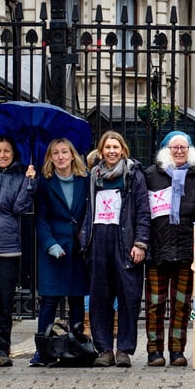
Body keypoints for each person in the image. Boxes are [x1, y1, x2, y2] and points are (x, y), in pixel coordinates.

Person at [79, 130, 150, 368]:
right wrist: (84, 240)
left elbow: (143, 210)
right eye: (107, 147)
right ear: (101, 151)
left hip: (125, 242)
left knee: (129, 298)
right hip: (98, 241)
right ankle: (104, 349)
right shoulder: (93, 176)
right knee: (100, 298)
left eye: (115, 147)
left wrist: (140, 243)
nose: (111, 151)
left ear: (123, 150)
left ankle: (124, 350)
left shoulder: (133, 175)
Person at [144, 131, 195, 367]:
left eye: (184, 147)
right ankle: (154, 351)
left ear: (190, 150)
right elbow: (143, 212)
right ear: (166, 150)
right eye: (174, 147)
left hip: (186, 250)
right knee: (154, 304)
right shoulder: (151, 175)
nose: (179, 151)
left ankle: (176, 351)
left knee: (181, 304)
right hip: (158, 248)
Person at [30, 138, 90, 366]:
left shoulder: (85, 181)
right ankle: (43, 351)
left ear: (73, 155)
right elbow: (41, 218)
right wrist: (50, 244)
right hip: (54, 248)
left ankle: (75, 348)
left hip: (78, 248)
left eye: (65, 152)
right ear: (50, 158)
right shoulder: (44, 183)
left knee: (76, 299)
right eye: (55, 153)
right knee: (49, 300)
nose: (61, 156)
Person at [0, 136, 37, 368]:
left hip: (8, 250)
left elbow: (20, 208)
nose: (2, 155)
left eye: (7, 151)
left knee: (5, 302)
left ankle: (2, 349)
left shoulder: (21, 175)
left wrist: (30, 184)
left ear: (14, 154)